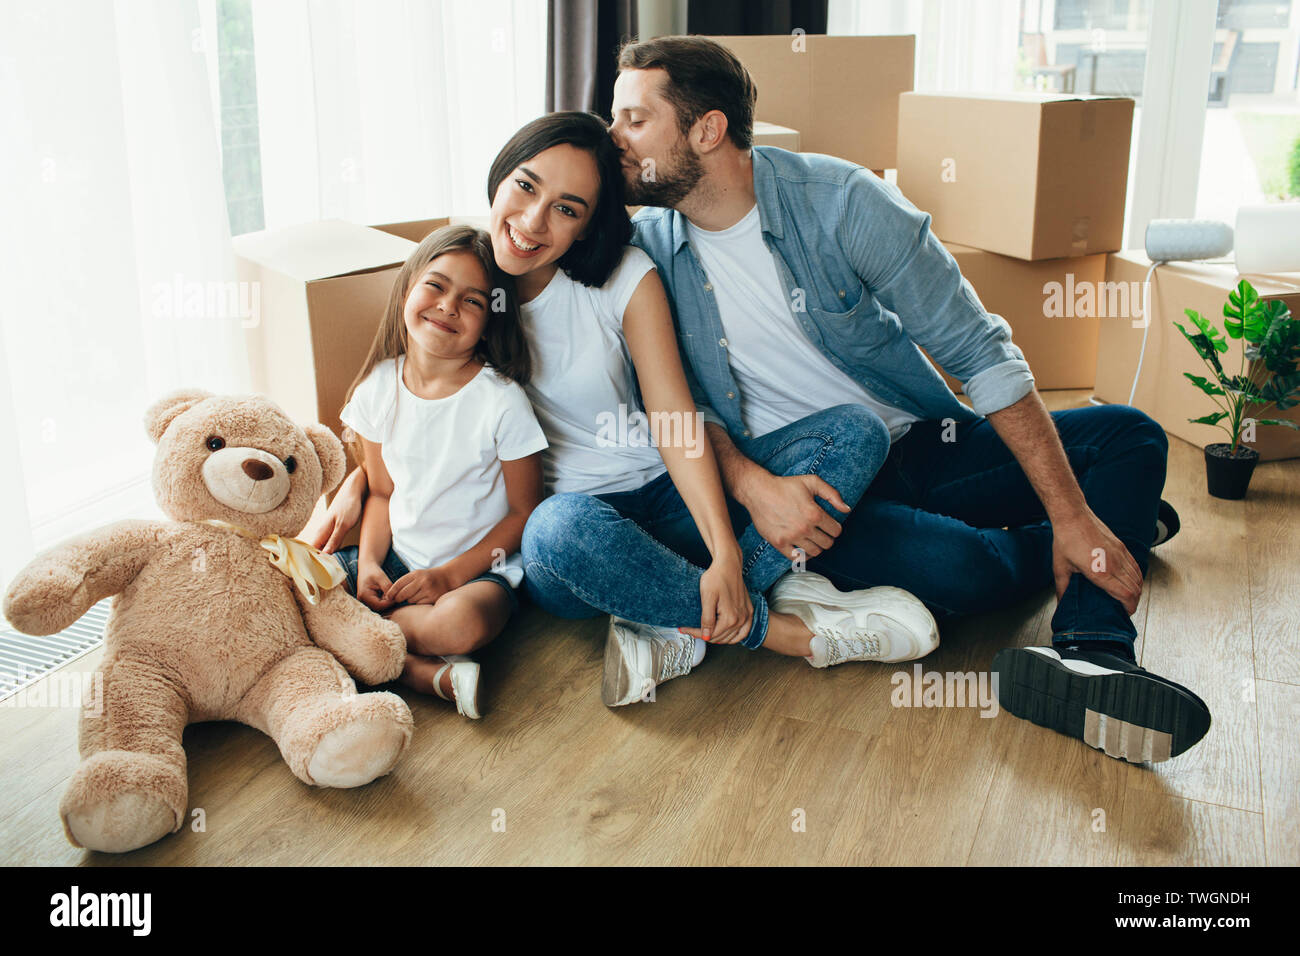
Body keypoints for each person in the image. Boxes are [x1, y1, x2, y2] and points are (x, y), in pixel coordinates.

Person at [608, 35, 1210, 763]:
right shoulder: (646, 253)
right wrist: (751, 484)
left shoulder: (842, 203)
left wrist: (1071, 513)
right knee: (965, 573)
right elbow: (681, 408)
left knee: (1133, 437)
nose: (614, 139)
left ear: (707, 129)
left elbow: (978, 352)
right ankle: (1123, 518)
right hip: (812, 492)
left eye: (634, 121)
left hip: (923, 442)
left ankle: (1091, 650)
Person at [310, 112, 940, 709]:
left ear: (587, 226)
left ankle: (680, 614)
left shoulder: (622, 277)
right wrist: (356, 483)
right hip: (574, 536)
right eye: (525, 186)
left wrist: (722, 549)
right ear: (500, 176)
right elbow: (414, 410)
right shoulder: (466, 285)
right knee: (554, 530)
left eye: (566, 209)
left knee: (855, 433)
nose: (532, 221)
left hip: (671, 501)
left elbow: (674, 417)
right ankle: (772, 628)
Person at [330, 225, 547, 719]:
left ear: (491, 321)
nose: (448, 306)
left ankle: (370, 642)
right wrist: (367, 566)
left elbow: (523, 512)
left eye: (472, 301)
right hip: (397, 565)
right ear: (408, 289)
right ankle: (421, 672)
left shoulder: (501, 401)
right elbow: (382, 495)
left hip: (475, 575)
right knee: (303, 587)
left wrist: (449, 577)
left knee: (460, 626)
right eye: (436, 286)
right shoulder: (379, 387)